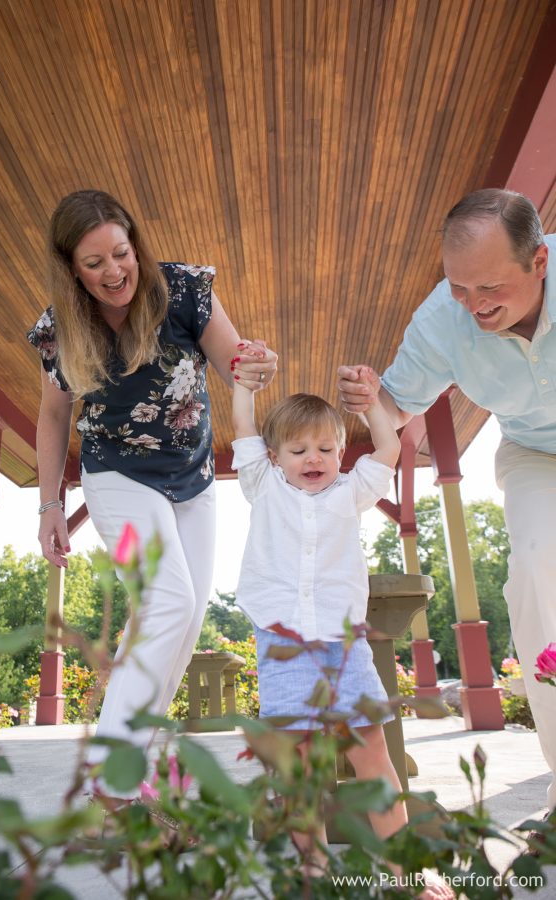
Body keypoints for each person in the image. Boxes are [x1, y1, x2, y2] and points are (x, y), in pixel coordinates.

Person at [27, 189, 277, 772]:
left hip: (192, 477)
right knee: (168, 600)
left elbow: (234, 360)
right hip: (116, 472)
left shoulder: (185, 289)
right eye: (94, 264)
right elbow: (53, 415)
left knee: (184, 621)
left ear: (135, 243)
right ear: (71, 270)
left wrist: (256, 365)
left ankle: (137, 759)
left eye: (121, 252)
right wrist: (49, 506)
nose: (114, 271)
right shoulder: (58, 328)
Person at [338, 187, 556, 815]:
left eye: (488, 287)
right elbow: (395, 408)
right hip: (536, 455)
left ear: (539, 261)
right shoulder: (445, 317)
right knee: (538, 577)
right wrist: (368, 394)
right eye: (459, 287)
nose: (474, 305)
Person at [231, 375, 451, 894]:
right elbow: (242, 423)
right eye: (299, 449)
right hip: (283, 645)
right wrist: (244, 385)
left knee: (372, 750)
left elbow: (389, 445)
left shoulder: (352, 490)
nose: (313, 458)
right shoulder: (262, 484)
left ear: (340, 451)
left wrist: (373, 403)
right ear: (274, 455)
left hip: (343, 644)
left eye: (326, 448)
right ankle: (312, 865)